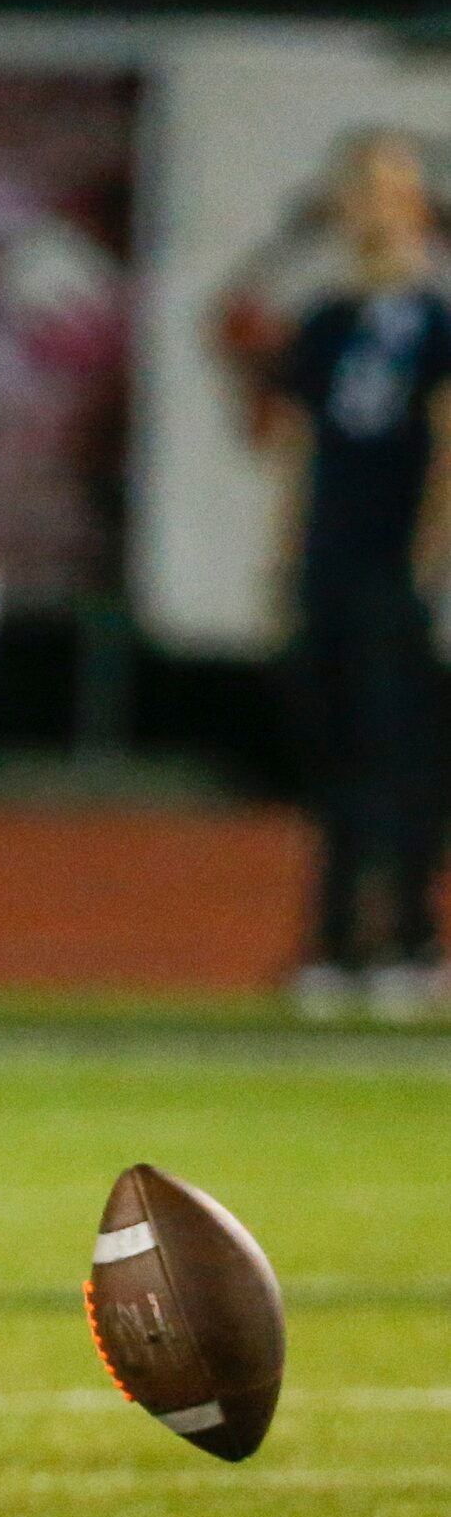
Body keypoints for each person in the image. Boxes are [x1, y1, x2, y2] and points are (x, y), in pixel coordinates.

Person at [270, 131, 451, 1021]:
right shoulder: (326, 321)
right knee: (334, 755)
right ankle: (335, 940)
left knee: (403, 758)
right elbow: (301, 450)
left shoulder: (437, 318)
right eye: (360, 189)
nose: (374, 206)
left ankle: (411, 938)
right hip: (330, 564)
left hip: (396, 567)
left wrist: (428, 560)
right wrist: (285, 558)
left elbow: (449, 444)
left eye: (391, 188)